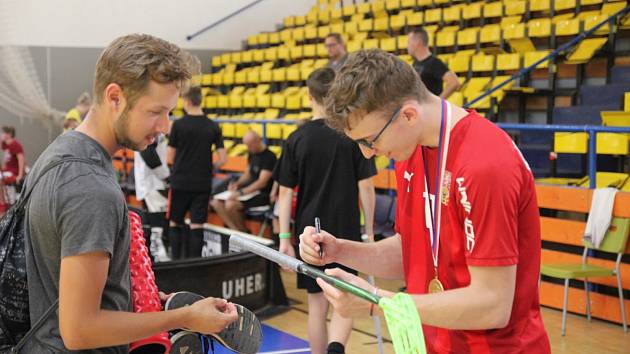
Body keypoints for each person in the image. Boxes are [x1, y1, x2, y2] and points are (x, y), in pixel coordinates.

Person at [298, 49, 551, 353]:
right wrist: (340, 251)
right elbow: (412, 252)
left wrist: (378, 303)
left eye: (370, 140)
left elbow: (493, 304)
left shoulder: (485, 164)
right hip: (432, 343)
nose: (367, 153)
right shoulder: (408, 148)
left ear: (408, 114)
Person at [24, 34, 238, 352]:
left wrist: (135, 295)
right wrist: (184, 317)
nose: (165, 126)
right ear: (115, 97)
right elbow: (80, 329)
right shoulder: (89, 187)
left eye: (169, 113)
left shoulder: (58, 154)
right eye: (156, 111)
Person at [275, 68, 377, 354]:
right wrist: (369, 232)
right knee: (343, 297)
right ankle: (335, 350)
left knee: (317, 304)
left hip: (310, 232)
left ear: (309, 96)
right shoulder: (351, 135)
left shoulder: (297, 138)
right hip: (345, 228)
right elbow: (367, 189)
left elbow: (285, 192)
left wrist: (285, 237)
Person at [168, 86, 227, 259]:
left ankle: (175, 262)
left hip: (180, 181)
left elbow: (169, 156)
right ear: (200, 100)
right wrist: (210, 167)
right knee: (197, 225)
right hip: (202, 182)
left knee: (175, 222)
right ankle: (195, 264)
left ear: (186, 101)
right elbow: (223, 158)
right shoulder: (213, 126)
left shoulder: (178, 125)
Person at [210, 131, 276, 233]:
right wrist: (237, 184)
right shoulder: (252, 153)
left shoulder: (269, 157)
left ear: (258, 141)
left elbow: (261, 183)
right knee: (215, 202)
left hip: (262, 194)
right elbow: (247, 174)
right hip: (250, 192)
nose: (248, 148)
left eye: (250, 145)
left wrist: (241, 192)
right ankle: (234, 231)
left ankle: (243, 231)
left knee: (230, 205)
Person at [407, 28, 461, 99]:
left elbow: (454, 82)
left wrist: (438, 101)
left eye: (409, 42)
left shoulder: (434, 63)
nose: (407, 46)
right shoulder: (416, 62)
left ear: (417, 43)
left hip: (430, 108)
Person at [0, 126, 25, 206]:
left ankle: (3, 203)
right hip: (7, 170)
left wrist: (20, 175)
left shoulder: (15, 145)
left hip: (13, 172)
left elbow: (21, 160)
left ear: (9, 134)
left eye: (3, 133)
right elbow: (4, 152)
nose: (1, 134)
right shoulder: (6, 144)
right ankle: (3, 202)